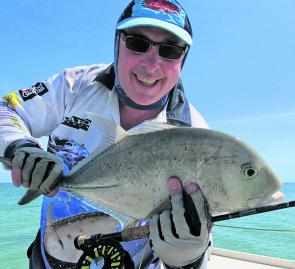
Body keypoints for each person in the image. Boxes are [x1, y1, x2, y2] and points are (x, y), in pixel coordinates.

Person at [0, 0, 212, 268]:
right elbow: (6, 109)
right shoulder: (73, 86)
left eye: (170, 50)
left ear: (183, 59)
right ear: (117, 43)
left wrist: (188, 258)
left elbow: (202, 230)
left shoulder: (197, 135)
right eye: (137, 42)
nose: (151, 64)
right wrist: (18, 146)